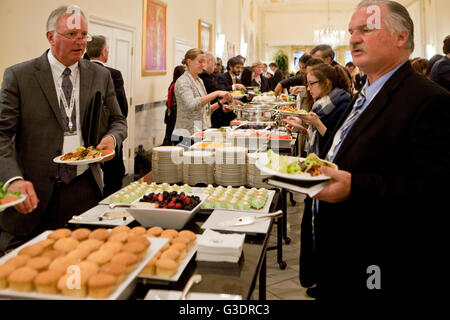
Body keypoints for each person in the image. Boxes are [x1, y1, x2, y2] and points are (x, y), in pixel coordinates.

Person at [309, 0, 450, 300]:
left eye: (366, 29)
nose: (354, 39)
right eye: (351, 31)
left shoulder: (429, 100)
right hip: (340, 250)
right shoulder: (367, 91)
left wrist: (354, 187)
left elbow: (435, 192)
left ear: (401, 37)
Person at [0, 5, 128, 255]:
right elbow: (3, 134)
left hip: (84, 189)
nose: (80, 41)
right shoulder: (20, 76)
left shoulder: (99, 76)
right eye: (72, 35)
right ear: (50, 37)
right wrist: (13, 179)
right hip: (34, 193)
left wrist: (112, 138)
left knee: (86, 264)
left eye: (84, 35)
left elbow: (118, 121)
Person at [86, 35, 128, 197]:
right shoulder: (113, 74)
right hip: (109, 135)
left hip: (87, 139)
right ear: (104, 52)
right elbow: (122, 107)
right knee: (114, 178)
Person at [172, 48, 232, 145]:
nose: (203, 65)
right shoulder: (183, 81)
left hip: (200, 131)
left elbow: (205, 110)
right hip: (186, 134)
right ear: (189, 62)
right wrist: (216, 93)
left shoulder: (199, 81)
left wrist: (221, 103)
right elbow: (192, 105)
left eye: (204, 62)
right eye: (200, 62)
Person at [199, 52, 236, 128]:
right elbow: (199, 103)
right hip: (203, 119)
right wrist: (218, 94)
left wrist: (221, 104)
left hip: (210, 115)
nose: (215, 67)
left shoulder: (206, 77)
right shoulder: (203, 77)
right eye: (215, 64)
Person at [163, 65, 185, 146]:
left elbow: (169, 101)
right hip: (175, 115)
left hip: (171, 114)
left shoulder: (172, 84)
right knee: (177, 138)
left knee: (170, 135)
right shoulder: (178, 85)